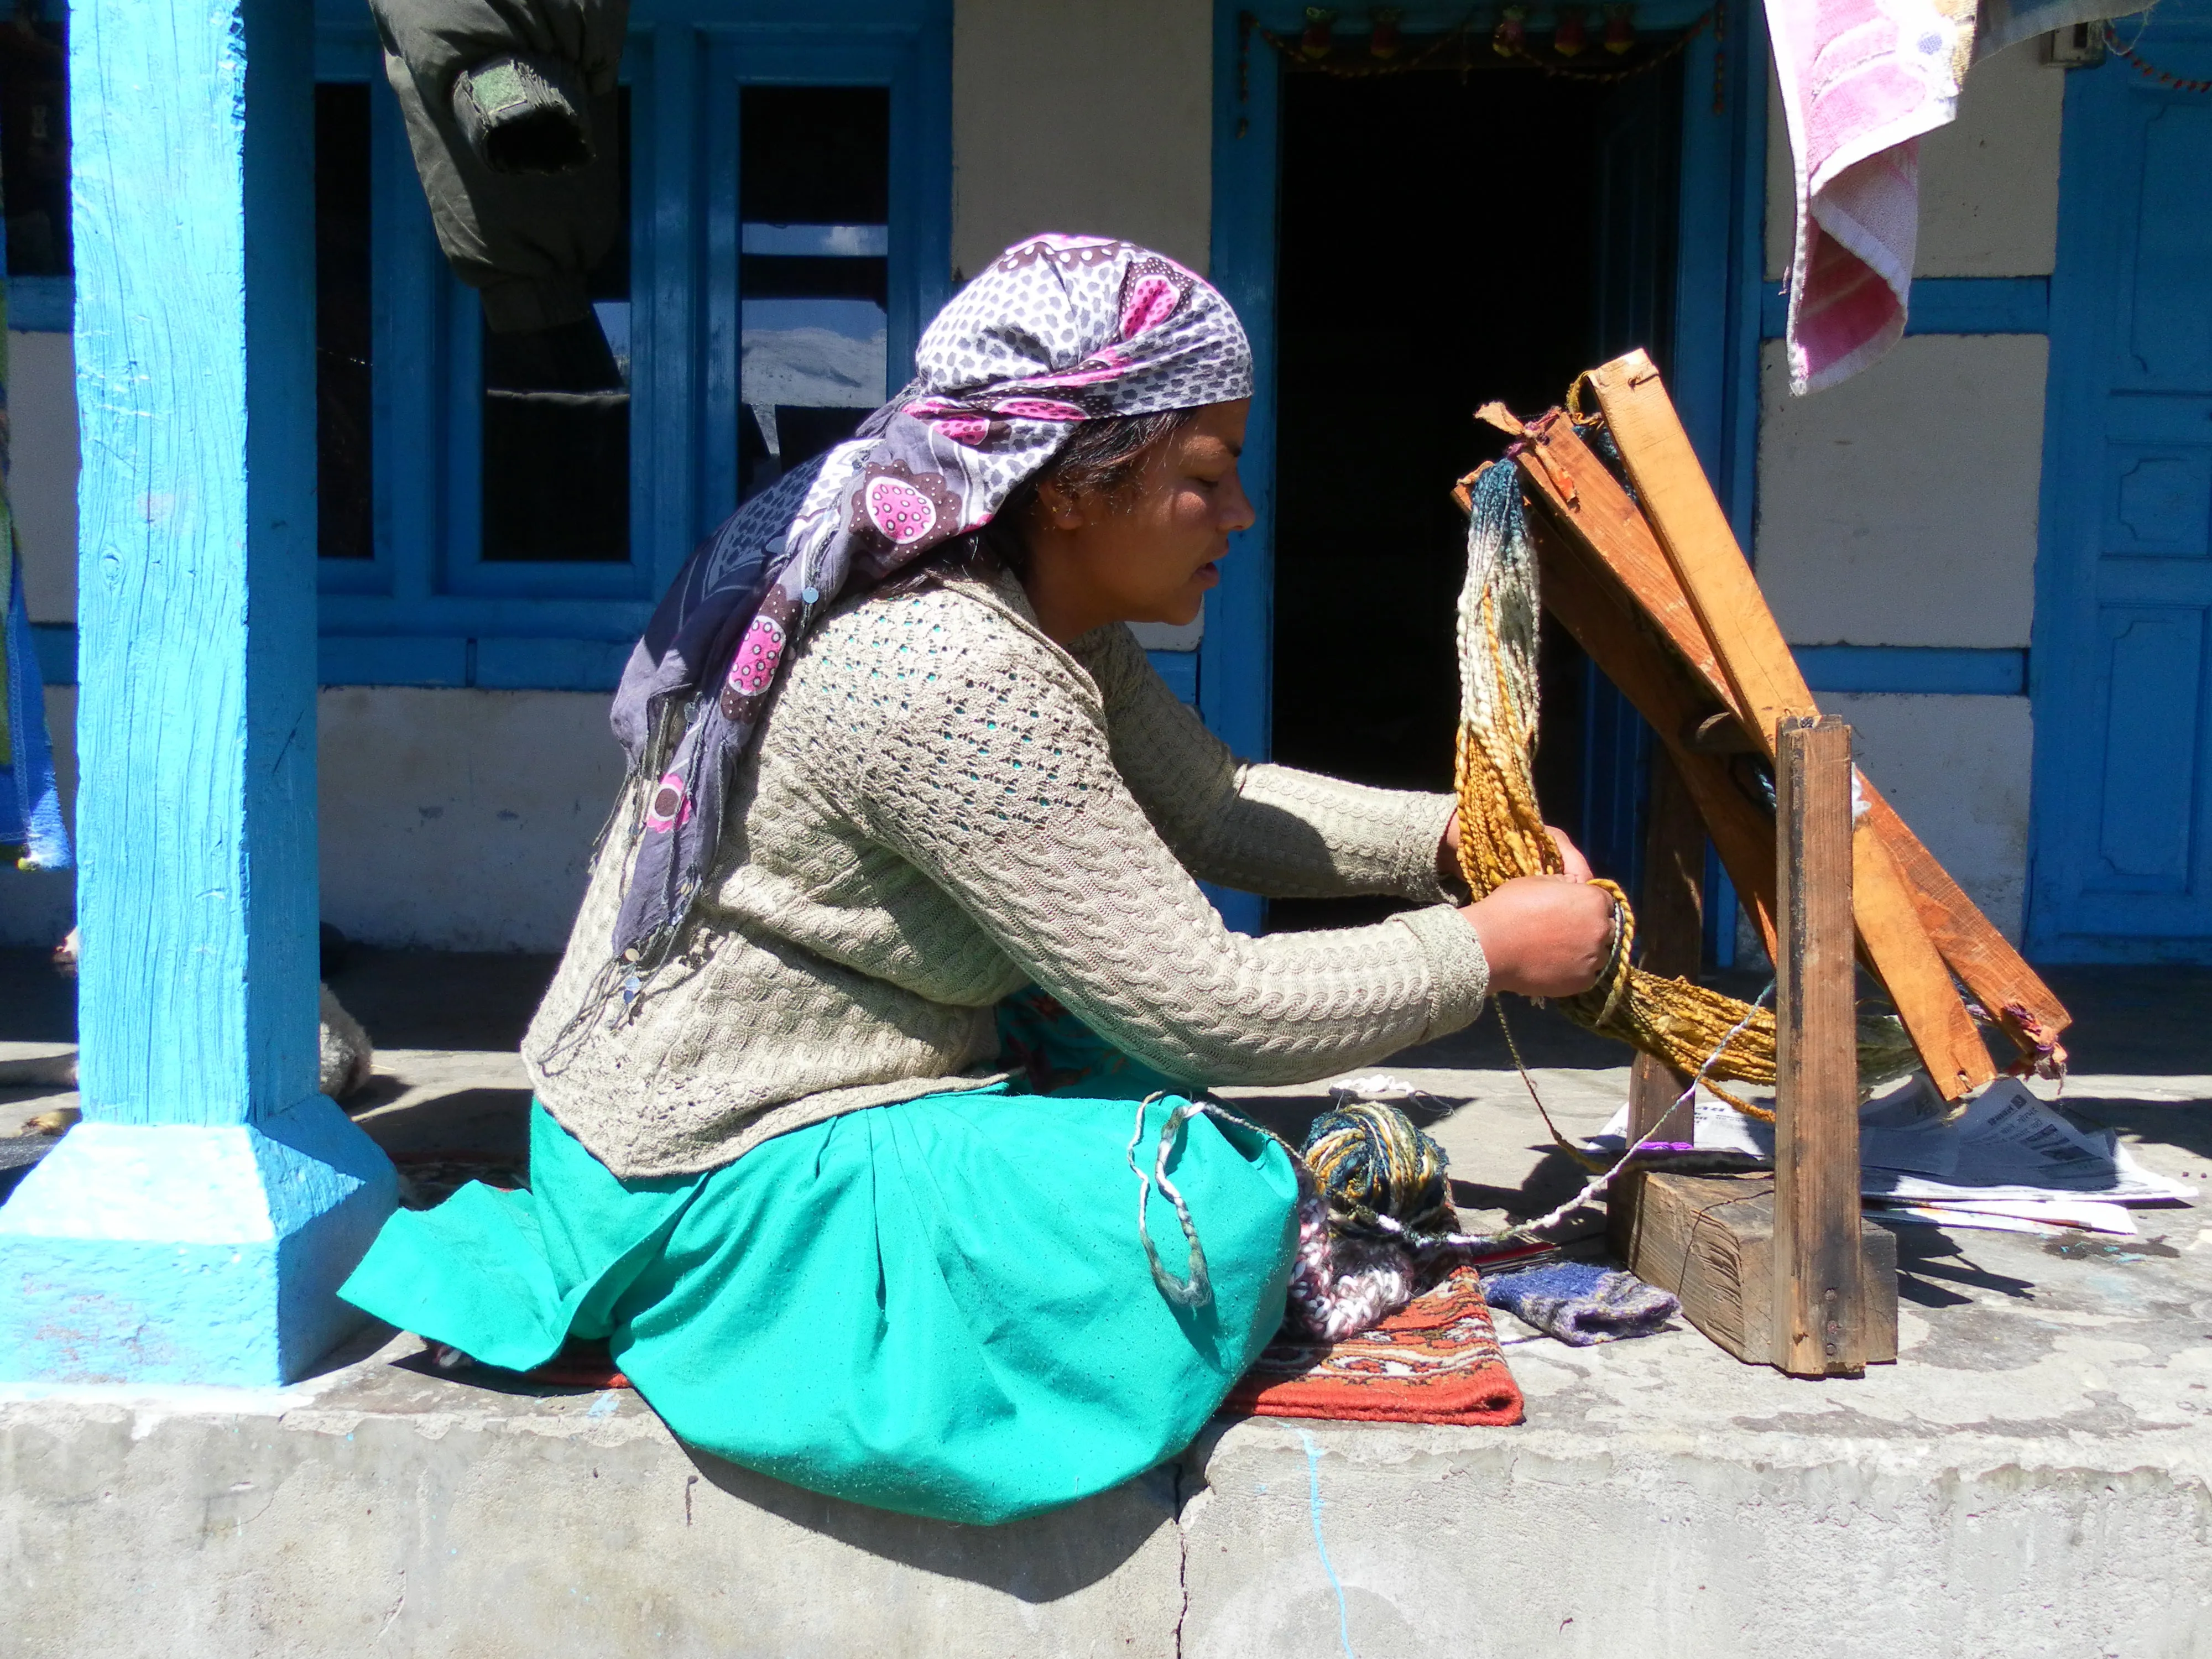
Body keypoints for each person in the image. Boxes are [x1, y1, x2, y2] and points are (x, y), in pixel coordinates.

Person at [340, 234, 1613, 1525]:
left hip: (741, 1093)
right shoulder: (946, 669)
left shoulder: (1024, 600)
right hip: (710, 1170)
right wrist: (1486, 951)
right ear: (1069, 485)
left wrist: (1453, 841)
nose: (1239, 515)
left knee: (1122, 1059)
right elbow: (1206, 1004)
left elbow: (1218, 807)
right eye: (1207, 476)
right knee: (1204, 1202)